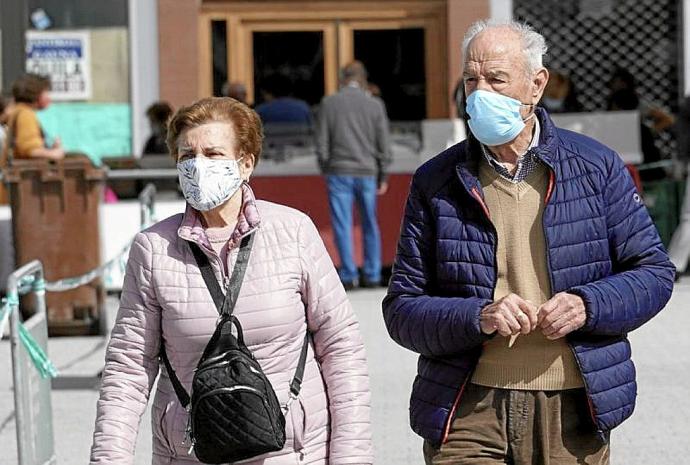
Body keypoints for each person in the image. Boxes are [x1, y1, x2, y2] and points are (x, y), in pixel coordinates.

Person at [383, 20, 674, 465]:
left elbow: (653, 273)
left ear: (536, 85)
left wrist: (587, 304)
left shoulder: (595, 167)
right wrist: (479, 316)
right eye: (471, 80)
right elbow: (403, 309)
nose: (479, 94)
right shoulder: (435, 180)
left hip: (574, 409)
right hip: (467, 406)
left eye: (496, 79)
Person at [89, 97, 373, 464]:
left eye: (213, 153)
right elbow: (128, 367)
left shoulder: (294, 232)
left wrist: (351, 457)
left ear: (246, 164)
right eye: (187, 156)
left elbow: (341, 348)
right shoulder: (153, 249)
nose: (198, 165)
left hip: (292, 454)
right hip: (191, 454)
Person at [315, 61, 391, 289]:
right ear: (364, 79)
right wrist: (383, 174)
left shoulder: (329, 103)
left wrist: (326, 168)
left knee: (342, 224)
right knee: (370, 223)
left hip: (339, 170)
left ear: (342, 79)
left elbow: (321, 143)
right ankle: (373, 274)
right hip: (367, 171)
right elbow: (383, 143)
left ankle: (348, 275)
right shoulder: (374, 105)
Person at [3, 73, 64, 162]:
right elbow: (29, 149)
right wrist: (54, 153)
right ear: (35, 94)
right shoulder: (26, 115)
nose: (49, 97)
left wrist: (49, 148)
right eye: (46, 93)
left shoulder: (18, 111)